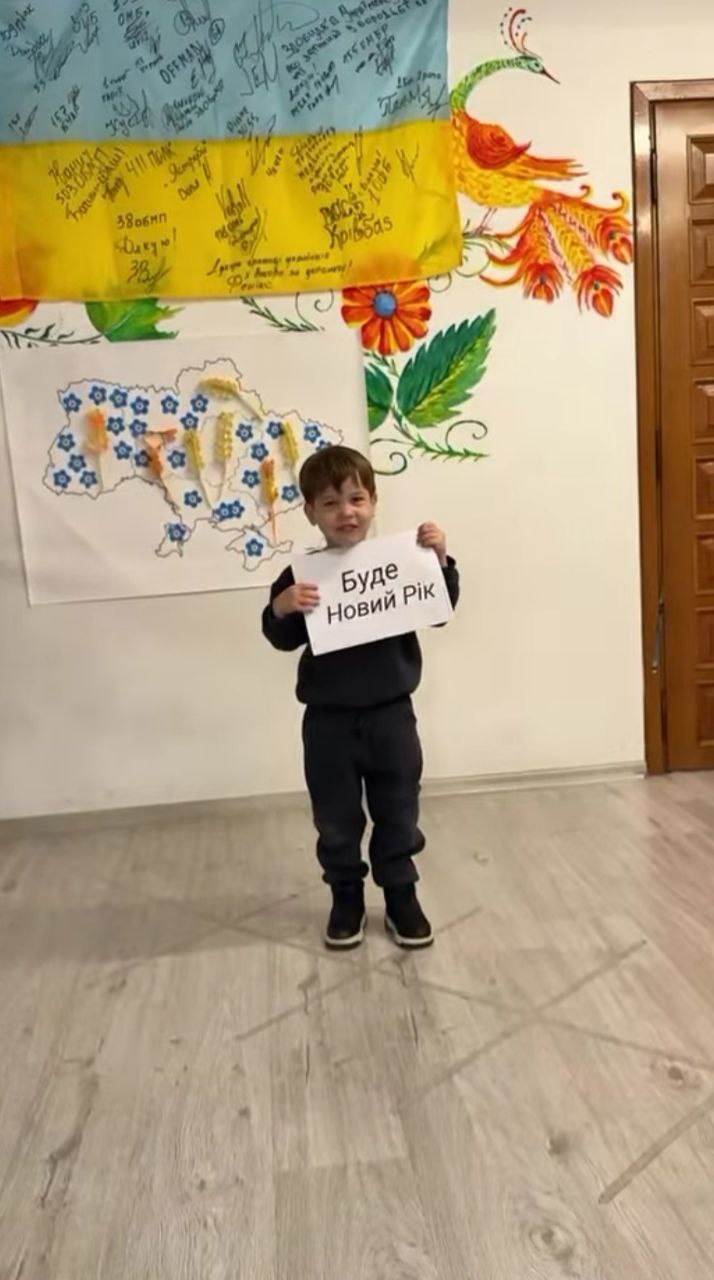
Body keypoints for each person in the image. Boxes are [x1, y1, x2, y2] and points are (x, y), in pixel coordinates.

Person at [261, 445, 460, 951]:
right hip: (327, 723)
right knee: (335, 816)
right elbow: (282, 638)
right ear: (310, 511)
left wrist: (439, 560)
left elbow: (439, 611)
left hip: (392, 716)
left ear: (373, 502)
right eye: (330, 503)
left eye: (356, 499)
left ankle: (400, 893)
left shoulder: (401, 561)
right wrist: (281, 608)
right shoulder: (301, 576)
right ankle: (345, 894)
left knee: (399, 808)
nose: (345, 512)